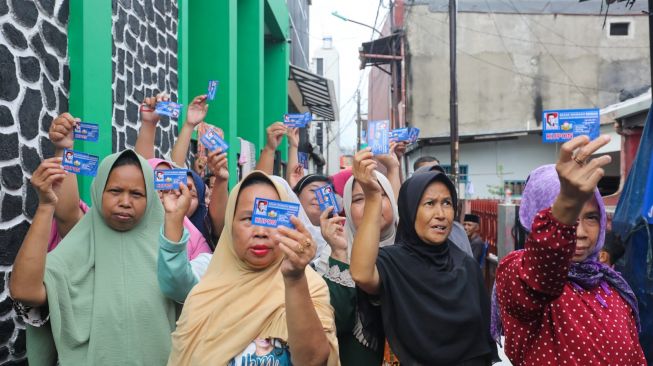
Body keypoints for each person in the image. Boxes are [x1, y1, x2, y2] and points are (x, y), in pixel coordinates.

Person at [10, 150, 178, 365]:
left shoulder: (169, 249)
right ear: (99, 192)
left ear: (151, 198)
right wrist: (45, 207)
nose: (125, 201)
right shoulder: (79, 247)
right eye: (115, 191)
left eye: (137, 194)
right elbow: (25, 291)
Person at [493, 135, 645, 365]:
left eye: (592, 217)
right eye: (571, 220)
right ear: (537, 218)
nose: (581, 232)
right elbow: (540, 276)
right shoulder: (521, 273)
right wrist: (565, 206)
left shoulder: (609, 284)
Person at [167, 171, 339, 365]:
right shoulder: (202, 297)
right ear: (230, 225)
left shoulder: (309, 286)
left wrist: (295, 280)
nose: (260, 232)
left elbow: (315, 360)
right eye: (248, 219)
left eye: (271, 218)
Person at [349, 147, 495, 365]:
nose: (440, 214)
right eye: (429, 204)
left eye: (447, 203)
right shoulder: (393, 262)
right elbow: (361, 274)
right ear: (409, 210)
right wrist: (372, 198)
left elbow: (481, 343)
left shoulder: (466, 267)